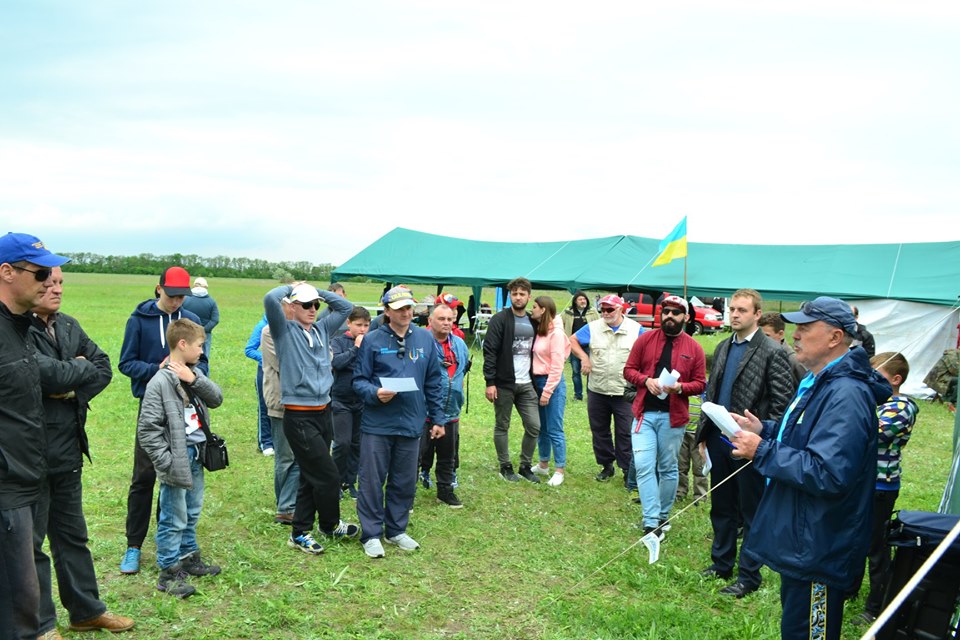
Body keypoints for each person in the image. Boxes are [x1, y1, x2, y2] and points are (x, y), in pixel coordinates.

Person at [729, 297, 891, 640]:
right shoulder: (825, 380)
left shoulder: (846, 393)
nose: (796, 334)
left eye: (805, 327)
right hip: (807, 537)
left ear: (834, 337)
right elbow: (806, 438)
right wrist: (767, 431)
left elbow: (828, 471)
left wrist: (761, 451)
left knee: (811, 633)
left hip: (823, 545)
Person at [29, 267, 135, 635]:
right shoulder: (15, 328)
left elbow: (103, 368)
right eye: (49, 282)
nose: (56, 289)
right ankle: (42, 625)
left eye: (60, 283)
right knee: (31, 545)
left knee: (73, 535)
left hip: (68, 450)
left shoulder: (69, 325)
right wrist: (73, 370)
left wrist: (72, 387)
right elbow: (46, 375)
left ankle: (86, 611)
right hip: (29, 453)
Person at [694, 289, 795, 599]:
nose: (734, 314)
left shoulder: (772, 351)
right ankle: (721, 563)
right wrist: (702, 437)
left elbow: (782, 403)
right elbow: (711, 395)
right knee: (722, 505)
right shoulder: (723, 346)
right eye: (732, 309)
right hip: (718, 438)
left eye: (741, 310)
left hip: (749, 443)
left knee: (750, 511)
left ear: (756, 314)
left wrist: (762, 437)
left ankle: (749, 576)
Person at [0, 232, 68, 639]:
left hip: (28, 481)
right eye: (40, 272)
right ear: (6, 273)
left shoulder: (20, 329)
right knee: (16, 607)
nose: (49, 282)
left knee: (22, 602)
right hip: (6, 489)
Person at [117, 266, 207, 575]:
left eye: (182, 296)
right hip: (153, 406)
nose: (176, 302)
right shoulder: (138, 321)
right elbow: (126, 363)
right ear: (159, 289)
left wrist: (193, 376)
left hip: (186, 409)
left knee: (178, 478)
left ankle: (171, 541)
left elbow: (202, 359)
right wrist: (158, 370)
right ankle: (134, 545)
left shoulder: (189, 321)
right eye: (172, 295)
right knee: (144, 476)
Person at [264, 282, 359, 555]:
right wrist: (292, 287)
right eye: (306, 305)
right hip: (299, 416)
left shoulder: (322, 330)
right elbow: (271, 298)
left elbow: (345, 307)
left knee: (311, 475)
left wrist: (315, 290)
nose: (313, 309)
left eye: (316, 305)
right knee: (328, 476)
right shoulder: (283, 331)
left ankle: (304, 531)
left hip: (323, 411)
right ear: (292, 307)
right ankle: (327, 524)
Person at [353, 287, 445, 557]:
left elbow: (434, 381)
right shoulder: (371, 340)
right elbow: (358, 381)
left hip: (411, 423)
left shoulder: (426, 339)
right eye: (400, 309)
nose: (406, 313)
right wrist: (375, 393)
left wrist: (437, 418)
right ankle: (371, 534)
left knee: (404, 480)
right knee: (371, 480)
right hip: (378, 424)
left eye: (409, 308)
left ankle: (396, 530)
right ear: (387, 311)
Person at [137, 319, 223, 598]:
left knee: (192, 510)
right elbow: (147, 430)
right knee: (174, 516)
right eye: (199, 345)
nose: (202, 350)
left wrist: (193, 379)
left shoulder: (192, 373)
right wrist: (167, 462)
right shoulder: (159, 383)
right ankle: (169, 572)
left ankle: (189, 557)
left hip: (196, 454)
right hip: (177, 458)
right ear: (182, 344)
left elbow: (217, 398)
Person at [623, 295, 706, 540]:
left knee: (668, 468)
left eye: (676, 312)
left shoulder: (694, 348)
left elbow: (700, 383)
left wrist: (680, 388)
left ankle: (662, 516)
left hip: (673, 417)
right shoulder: (645, 340)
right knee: (644, 465)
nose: (669, 316)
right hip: (644, 414)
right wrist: (645, 381)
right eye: (666, 311)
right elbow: (628, 370)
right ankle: (650, 522)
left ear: (686, 317)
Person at [851, 352, 919, 626]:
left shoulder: (901, 407)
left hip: (881, 486)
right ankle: (849, 588)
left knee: (876, 546)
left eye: (877, 375)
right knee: (855, 539)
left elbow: (869, 431)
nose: (870, 380)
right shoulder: (877, 402)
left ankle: (877, 606)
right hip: (862, 482)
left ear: (896, 379)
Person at [570, 294, 643, 482]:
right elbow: (572, 341)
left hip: (623, 391)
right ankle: (606, 466)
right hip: (598, 389)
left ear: (621, 309)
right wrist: (584, 358)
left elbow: (649, 350)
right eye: (603, 309)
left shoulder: (636, 330)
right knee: (599, 430)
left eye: (610, 309)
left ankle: (627, 469)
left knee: (625, 431)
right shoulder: (593, 327)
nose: (605, 313)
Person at [482, 277, 542, 483]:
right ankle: (505, 466)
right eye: (514, 294)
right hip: (504, 382)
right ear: (510, 296)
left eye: (522, 294)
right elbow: (489, 351)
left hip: (527, 383)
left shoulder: (534, 321)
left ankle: (525, 466)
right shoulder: (500, 319)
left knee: (534, 426)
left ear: (528, 296)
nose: (518, 297)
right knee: (502, 425)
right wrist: (490, 382)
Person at [418, 303, 469, 507]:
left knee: (448, 455)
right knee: (416, 455)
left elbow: (461, 371)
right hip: (423, 410)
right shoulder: (420, 343)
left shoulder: (459, 344)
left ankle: (445, 491)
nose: (447, 323)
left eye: (449, 319)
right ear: (430, 321)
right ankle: (406, 496)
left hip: (451, 410)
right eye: (441, 319)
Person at [261, 299, 301, 525]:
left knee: (303, 456)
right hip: (282, 402)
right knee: (286, 457)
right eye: (295, 303)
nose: (303, 308)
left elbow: (326, 358)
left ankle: (288, 505)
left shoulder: (308, 330)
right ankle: (285, 506)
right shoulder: (269, 332)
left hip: (307, 402)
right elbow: (285, 363)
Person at [330, 306, 372, 500]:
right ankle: (335, 481)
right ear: (349, 323)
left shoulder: (371, 343)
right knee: (342, 443)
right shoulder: (339, 341)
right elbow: (337, 363)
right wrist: (355, 348)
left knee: (357, 444)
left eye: (366, 325)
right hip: (341, 400)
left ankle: (350, 481)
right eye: (358, 325)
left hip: (361, 401)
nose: (362, 329)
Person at [530, 296, 571, 487]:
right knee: (542, 427)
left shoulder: (556, 334)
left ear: (544, 310)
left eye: (535, 307)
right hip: (538, 381)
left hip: (550, 382)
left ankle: (559, 469)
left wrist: (547, 391)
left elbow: (557, 365)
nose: (532, 310)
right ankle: (543, 463)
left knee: (555, 427)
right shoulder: (541, 330)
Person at [244, 315, 275, 456]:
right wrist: (268, 358)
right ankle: (266, 443)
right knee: (265, 406)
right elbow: (249, 349)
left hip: (285, 371)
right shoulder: (263, 325)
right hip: (265, 372)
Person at [562, 290, 599, 401]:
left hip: (589, 345)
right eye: (580, 299)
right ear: (575, 301)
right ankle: (578, 395)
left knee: (590, 371)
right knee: (575, 371)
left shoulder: (593, 312)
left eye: (584, 299)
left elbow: (600, 325)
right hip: (574, 345)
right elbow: (560, 323)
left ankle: (590, 394)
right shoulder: (568, 312)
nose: (583, 301)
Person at [675, 392, 708, 503]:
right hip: (682, 432)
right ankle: (680, 492)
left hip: (698, 435)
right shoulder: (682, 390)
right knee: (681, 465)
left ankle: (700, 496)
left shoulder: (706, 394)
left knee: (699, 467)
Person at [758, 312, 807, 385]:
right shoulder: (759, 355)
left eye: (767, 336)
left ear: (781, 334)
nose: (761, 340)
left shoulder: (794, 361)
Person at [181, 276, 219, 362]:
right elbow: (215, 320)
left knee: (185, 357)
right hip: (205, 334)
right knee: (204, 359)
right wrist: (203, 330)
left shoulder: (185, 299)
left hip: (186, 332)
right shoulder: (211, 301)